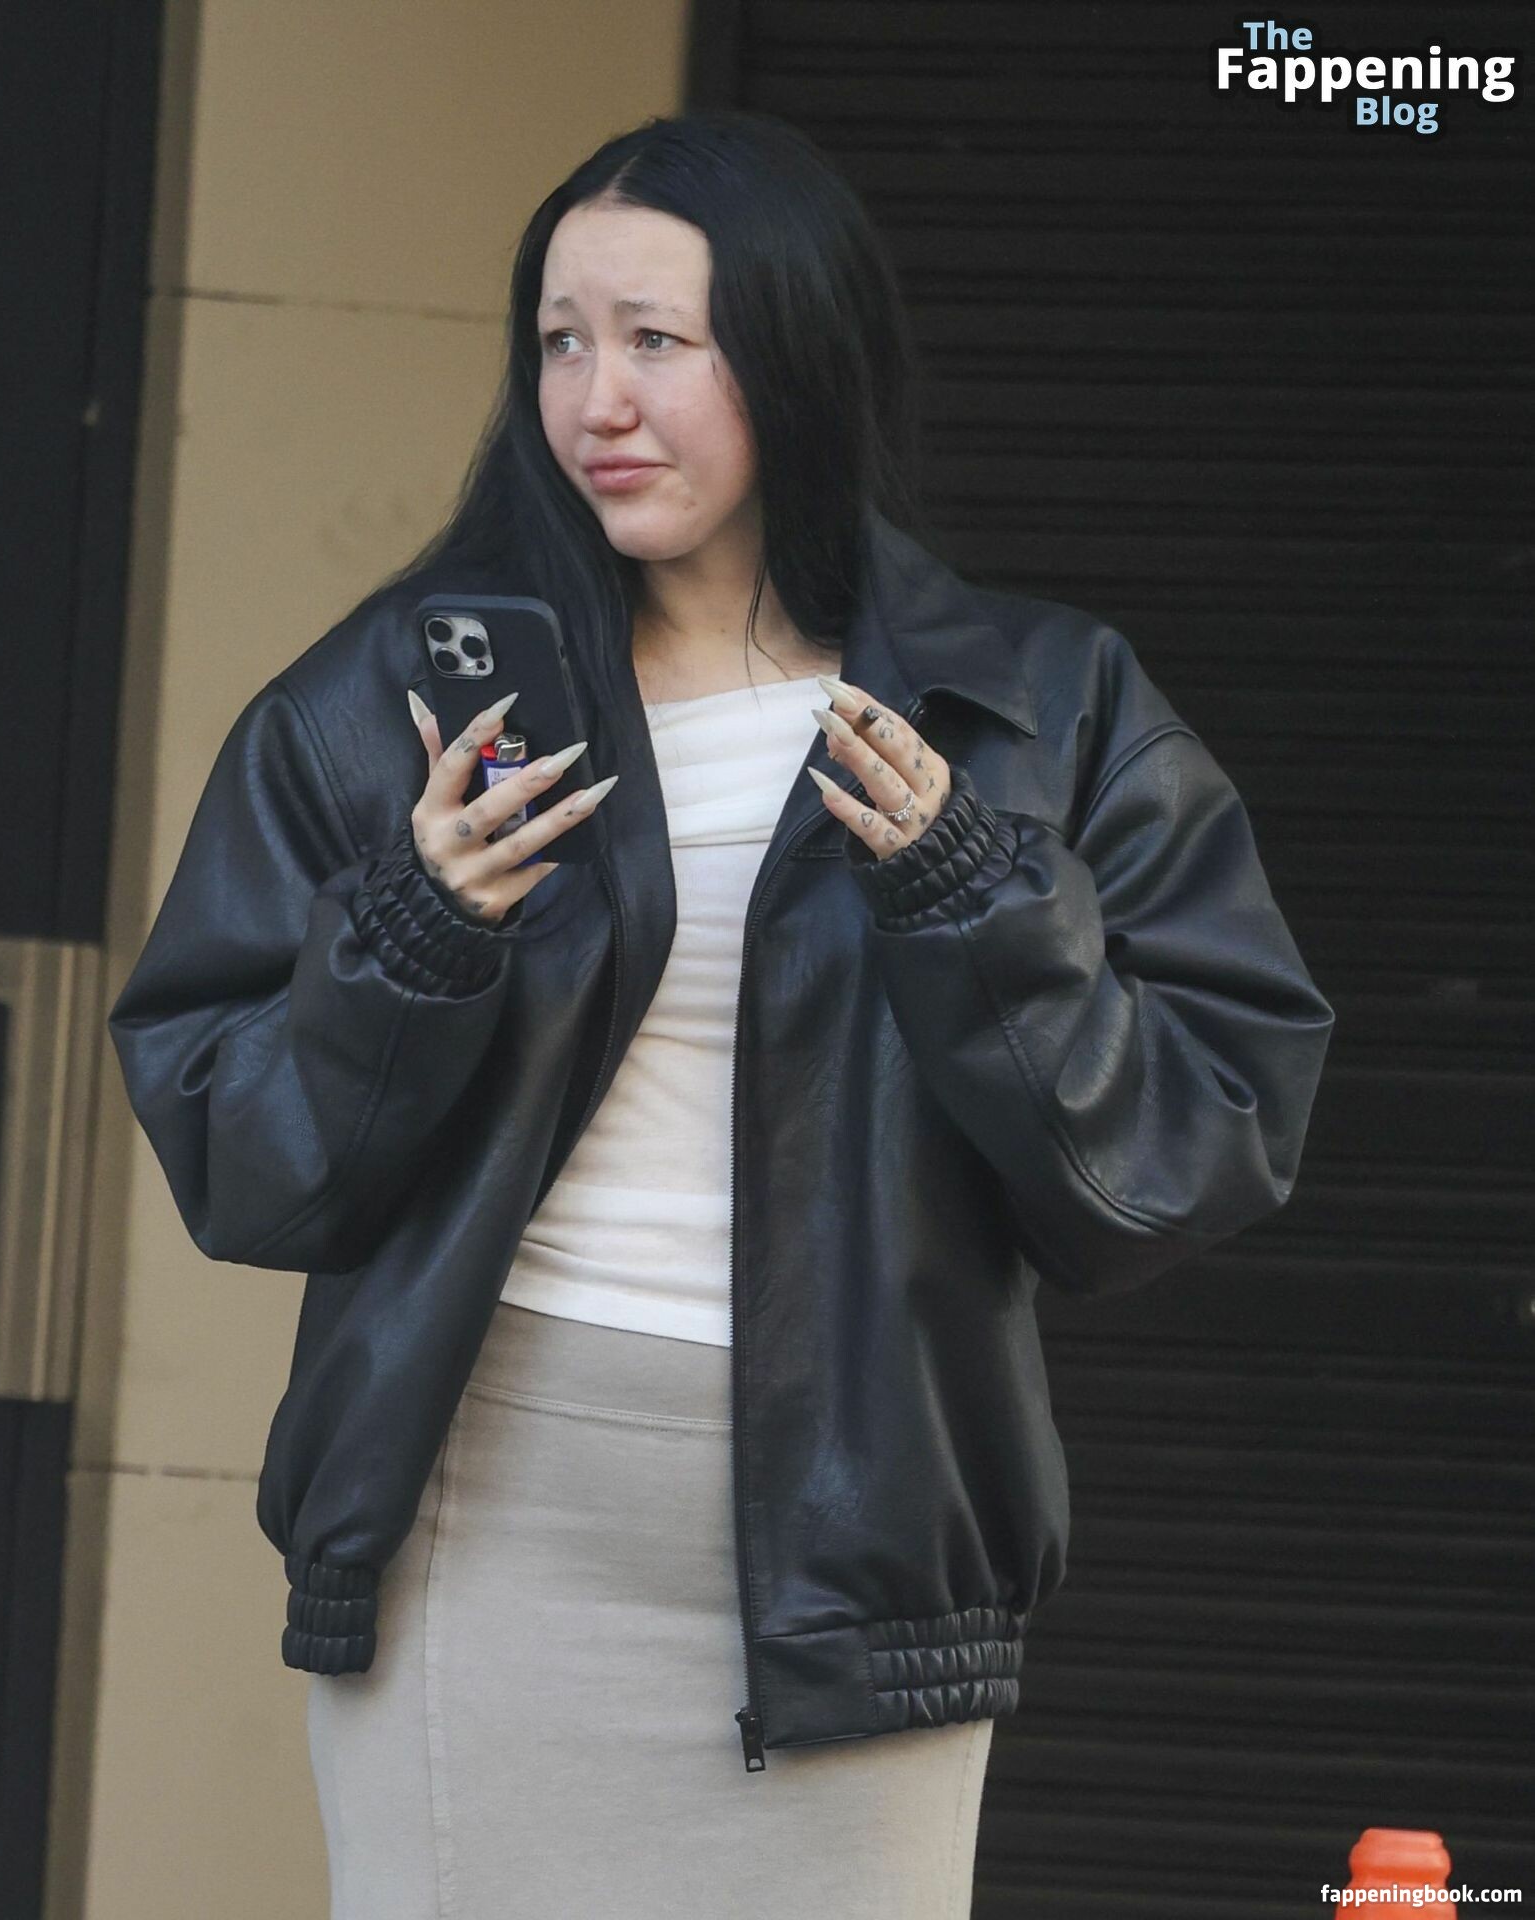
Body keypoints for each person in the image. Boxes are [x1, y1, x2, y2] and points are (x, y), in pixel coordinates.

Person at [106, 110, 1335, 1919]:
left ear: (797, 352)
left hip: (860, 1561)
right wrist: (418, 931)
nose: (597, 400)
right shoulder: (401, 705)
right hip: (483, 1523)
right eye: (559, 341)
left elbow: (1189, 1150)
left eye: (658, 340)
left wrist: (970, 897)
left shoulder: (1032, 709)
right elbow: (243, 1157)